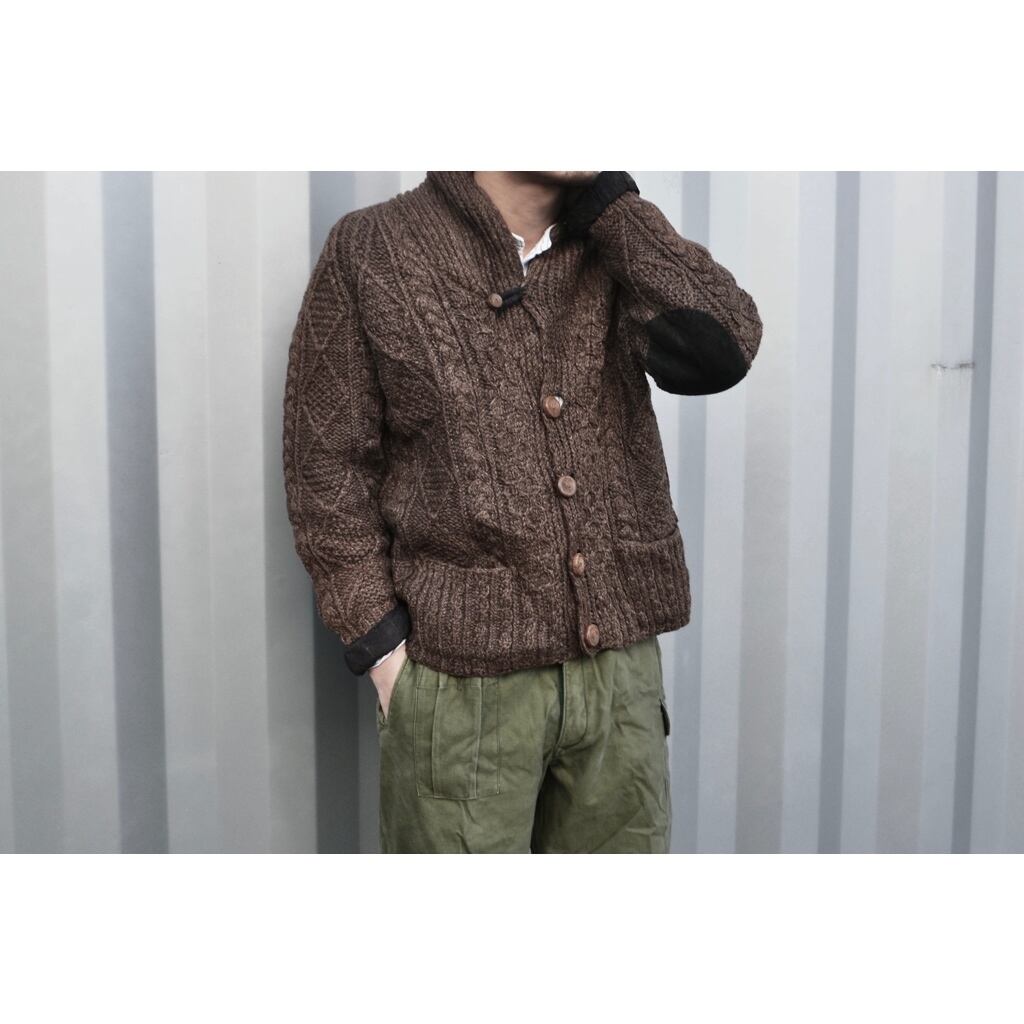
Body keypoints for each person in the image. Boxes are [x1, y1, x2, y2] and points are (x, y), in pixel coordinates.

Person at [282, 171, 763, 853]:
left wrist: (615, 206)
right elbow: (325, 464)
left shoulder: (614, 243)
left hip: (619, 677)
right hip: (461, 686)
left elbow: (724, 348)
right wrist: (382, 648)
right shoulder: (373, 247)